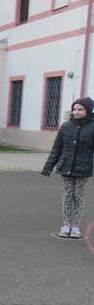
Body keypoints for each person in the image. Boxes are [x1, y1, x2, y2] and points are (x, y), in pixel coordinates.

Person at [41, 96, 94, 239]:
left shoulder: (92, 127)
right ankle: (67, 225)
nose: (76, 112)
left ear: (88, 110)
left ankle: (75, 226)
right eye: (75, 109)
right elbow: (57, 148)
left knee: (78, 196)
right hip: (66, 166)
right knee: (67, 196)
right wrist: (48, 167)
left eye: (80, 109)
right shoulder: (66, 126)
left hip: (83, 168)